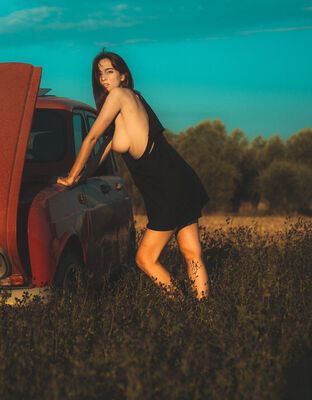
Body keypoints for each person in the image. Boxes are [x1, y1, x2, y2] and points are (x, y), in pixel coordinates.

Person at [56, 50, 210, 299]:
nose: (103, 78)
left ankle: (182, 305)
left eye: (109, 72)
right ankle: (204, 311)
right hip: (179, 179)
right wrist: (82, 177)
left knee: (145, 259)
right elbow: (99, 155)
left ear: (123, 76)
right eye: (99, 74)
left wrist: (72, 177)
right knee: (192, 252)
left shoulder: (119, 96)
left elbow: (92, 137)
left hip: (168, 186)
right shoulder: (128, 105)